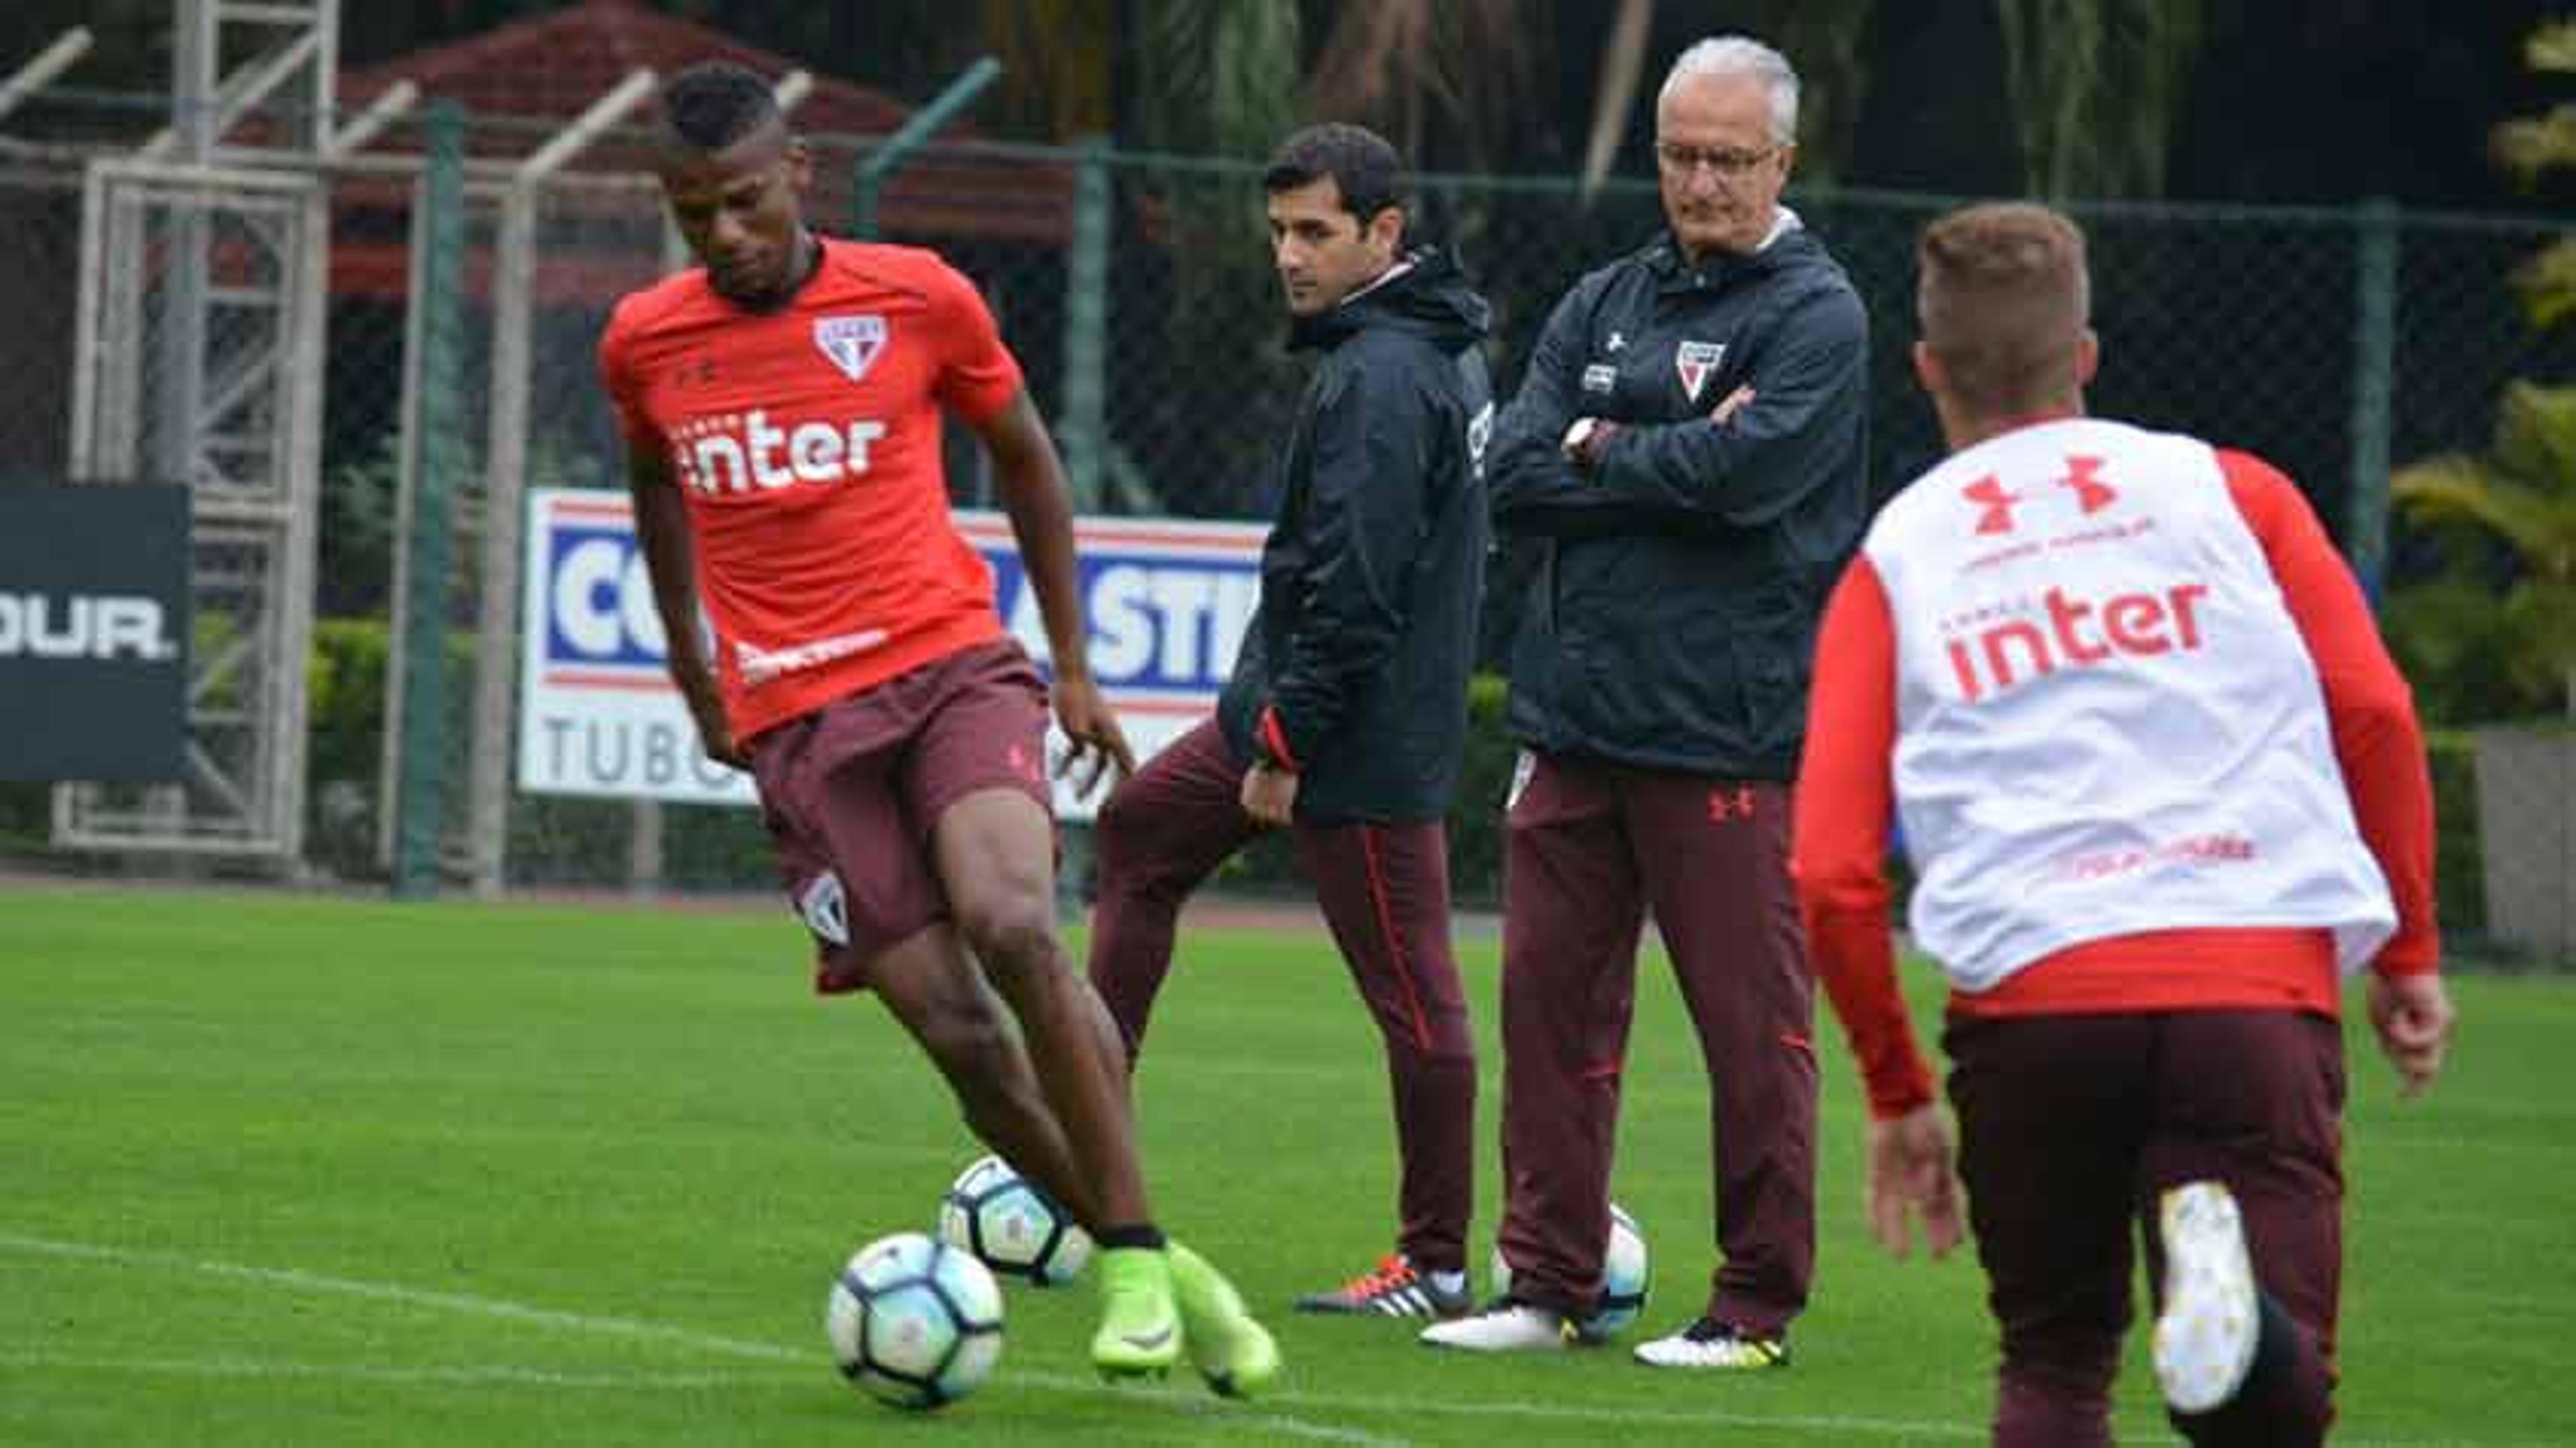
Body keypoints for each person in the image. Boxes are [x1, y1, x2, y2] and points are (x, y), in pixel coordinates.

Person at [597, 61, 1276, 1396]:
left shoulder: (916, 298)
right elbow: (653, 486)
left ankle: (1127, 1254)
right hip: (800, 730)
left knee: (1015, 917)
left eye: (741, 201)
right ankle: (1171, 1270)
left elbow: (1024, 452)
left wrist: (1074, 666)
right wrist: (696, 675)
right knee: (960, 1039)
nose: (724, 235)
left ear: (799, 173)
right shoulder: (645, 342)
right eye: (693, 215)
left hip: (948, 668)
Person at [1794, 200, 2454, 1447]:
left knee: (2053, 1365)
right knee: (2275, 1389)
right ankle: (2226, 1327)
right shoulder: (2231, 489)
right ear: (2084, 355)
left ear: (1926, 367)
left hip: (2038, 995)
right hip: (2251, 974)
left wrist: (1896, 1090)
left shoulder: (1900, 553)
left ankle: (2216, 1328)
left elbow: (1830, 869)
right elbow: (2373, 708)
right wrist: (2408, 953)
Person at [1421, 36, 1867, 1367]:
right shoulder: (1604, 295)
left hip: (1726, 728)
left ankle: (1753, 1306)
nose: (1703, 181)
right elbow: (1513, 469)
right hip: (1573, 719)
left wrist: (1603, 447)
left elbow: (1750, 478)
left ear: (1782, 162)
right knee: (1551, 1014)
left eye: (1731, 159)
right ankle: (1545, 1282)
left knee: (1752, 1031)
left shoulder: (1817, 314)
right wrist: (1644, 461)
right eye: (1681, 155)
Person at [1085, 121, 1493, 1320]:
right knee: (1139, 835)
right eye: (1279, 231)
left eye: (1316, 232)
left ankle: (1435, 1262)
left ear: (1384, 233)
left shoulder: (1382, 376)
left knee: (1417, 998)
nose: (1290, 255)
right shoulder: (1427, 345)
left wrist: (1284, 747)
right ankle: (1080, 1161)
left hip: (1348, 740)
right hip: (1302, 711)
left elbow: (1356, 592)